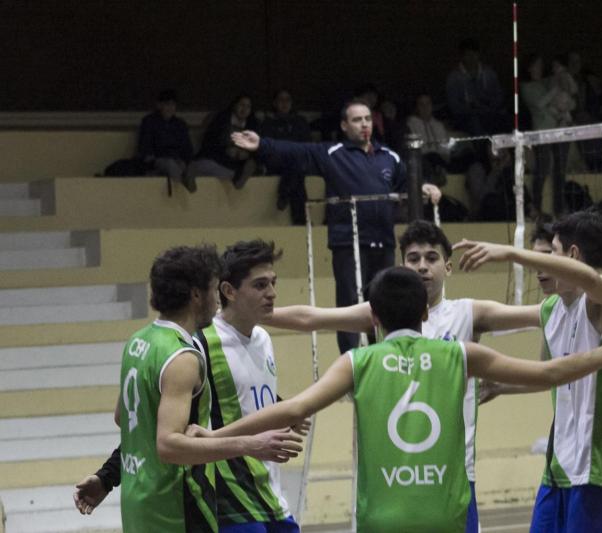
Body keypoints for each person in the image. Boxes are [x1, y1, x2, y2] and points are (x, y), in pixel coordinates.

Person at [256, 219, 602, 532]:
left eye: (432, 258)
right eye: (413, 259)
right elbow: (311, 316)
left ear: (449, 267)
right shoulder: (382, 311)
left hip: (455, 472)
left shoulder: (470, 314)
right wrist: (256, 311)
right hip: (393, 472)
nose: (422, 267)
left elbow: (582, 320)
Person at [453, 209, 602, 533]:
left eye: (551, 253)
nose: (544, 265)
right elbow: (553, 374)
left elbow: (593, 280)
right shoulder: (552, 309)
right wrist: (500, 386)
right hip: (562, 468)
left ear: (573, 255)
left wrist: (508, 252)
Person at [74, 241, 307, 531]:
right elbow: (169, 444)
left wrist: (107, 477)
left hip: (140, 502)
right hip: (176, 505)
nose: (217, 299)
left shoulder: (139, 342)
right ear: (198, 294)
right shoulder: (184, 356)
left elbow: (126, 419)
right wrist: (251, 444)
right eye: (213, 288)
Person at [230, 99, 441, 354]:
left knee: (387, 302)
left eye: (367, 119)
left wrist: (423, 187)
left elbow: (407, 182)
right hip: (347, 242)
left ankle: (386, 356)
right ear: (344, 125)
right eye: (356, 120)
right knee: (349, 305)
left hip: (383, 241)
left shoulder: (390, 156)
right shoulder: (333, 153)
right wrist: (261, 144)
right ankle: (352, 364)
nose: (364, 124)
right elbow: (297, 152)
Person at [521, 54, 575, 218]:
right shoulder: (527, 87)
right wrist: (555, 89)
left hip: (559, 131)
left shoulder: (548, 82)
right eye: (537, 65)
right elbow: (539, 103)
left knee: (560, 170)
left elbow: (570, 100)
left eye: (541, 66)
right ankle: (536, 207)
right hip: (541, 133)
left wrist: (561, 79)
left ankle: (559, 208)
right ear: (530, 68)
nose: (540, 69)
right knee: (543, 168)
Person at [187, 94, 261, 192]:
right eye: (241, 105)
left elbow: (257, 147)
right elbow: (209, 142)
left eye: (248, 106)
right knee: (206, 165)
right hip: (218, 158)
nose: (244, 109)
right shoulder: (222, 119)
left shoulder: (253, 123)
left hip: (238, 163)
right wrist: (226, 150)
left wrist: (245, 154)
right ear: (235, 105)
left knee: (253, 164)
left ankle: (240, 178)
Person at [260, 89, 312, 225]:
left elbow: (306, 144)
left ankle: (284, 193)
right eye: (280, 100)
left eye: (287, 100)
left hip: (297, 162)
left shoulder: (300, 122)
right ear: (275, 103)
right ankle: (303, 221)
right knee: (297, 173)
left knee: (296, 171)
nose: (284, 103)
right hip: (277, 161)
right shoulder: (268, 124)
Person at [446, 38, 507, 136]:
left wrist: (488, 106)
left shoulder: (489, 73)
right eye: (468, 55)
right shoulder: (454, 78)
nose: (471, 58)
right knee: (475, 123)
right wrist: (472, 108)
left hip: (490, 113)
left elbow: (499, 97)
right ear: (462, 56)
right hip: (466, 117)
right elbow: (454, 106)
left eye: (474, 54)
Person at [137, 89, 194, 187]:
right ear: (159, 105)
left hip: (178, 160)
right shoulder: (149, 122)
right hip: (159, 159)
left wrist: (184, 161)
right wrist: (153, 160)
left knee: (194, 167)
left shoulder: (180, 124)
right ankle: (181, 189)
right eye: (167, 104)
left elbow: (187, 148)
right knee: (170, 165)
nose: (170, 108)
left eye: (173, 105)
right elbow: (145, 147)